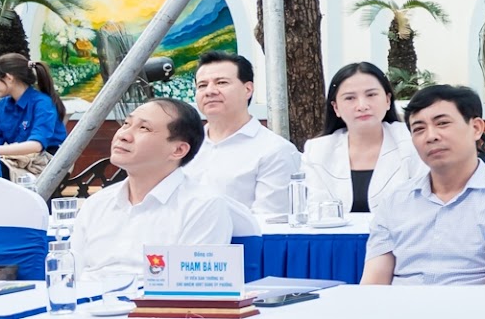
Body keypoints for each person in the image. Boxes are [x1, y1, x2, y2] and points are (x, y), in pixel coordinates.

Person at [363, 85, 485, 286]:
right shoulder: (394, 200)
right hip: (400, 305)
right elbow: (373, 285)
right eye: (419, 129)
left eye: (443, 123)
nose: (431, 136)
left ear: (476, 128)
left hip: (474, 305)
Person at [71, 98, 232, 293]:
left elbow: (191, 289)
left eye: (144, 128)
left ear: (178, 150)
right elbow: (71, 277)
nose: (123, 135)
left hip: (152, 308)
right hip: (86, 305)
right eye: (126, 124)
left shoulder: (202, 206)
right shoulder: (96, 204)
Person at [180, 52, 300, 219]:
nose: (210, 91)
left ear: (248, 89)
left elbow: (269, 221)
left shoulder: (275, 150)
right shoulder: (182, 146)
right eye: (202, 85)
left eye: (221, 82)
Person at [301, 61, 420, 215]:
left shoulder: (412, 142)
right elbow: (315, 213)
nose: (362, 106)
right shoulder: (317, 151)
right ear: (336, 107)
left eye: (371, 95)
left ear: (387, 100)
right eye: (350, 98)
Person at [0, 54, 66, 174]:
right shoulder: (4, 105)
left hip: (46, 164)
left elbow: (36, 145)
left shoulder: (42, 103)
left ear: (9, 78)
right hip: (19, 161)